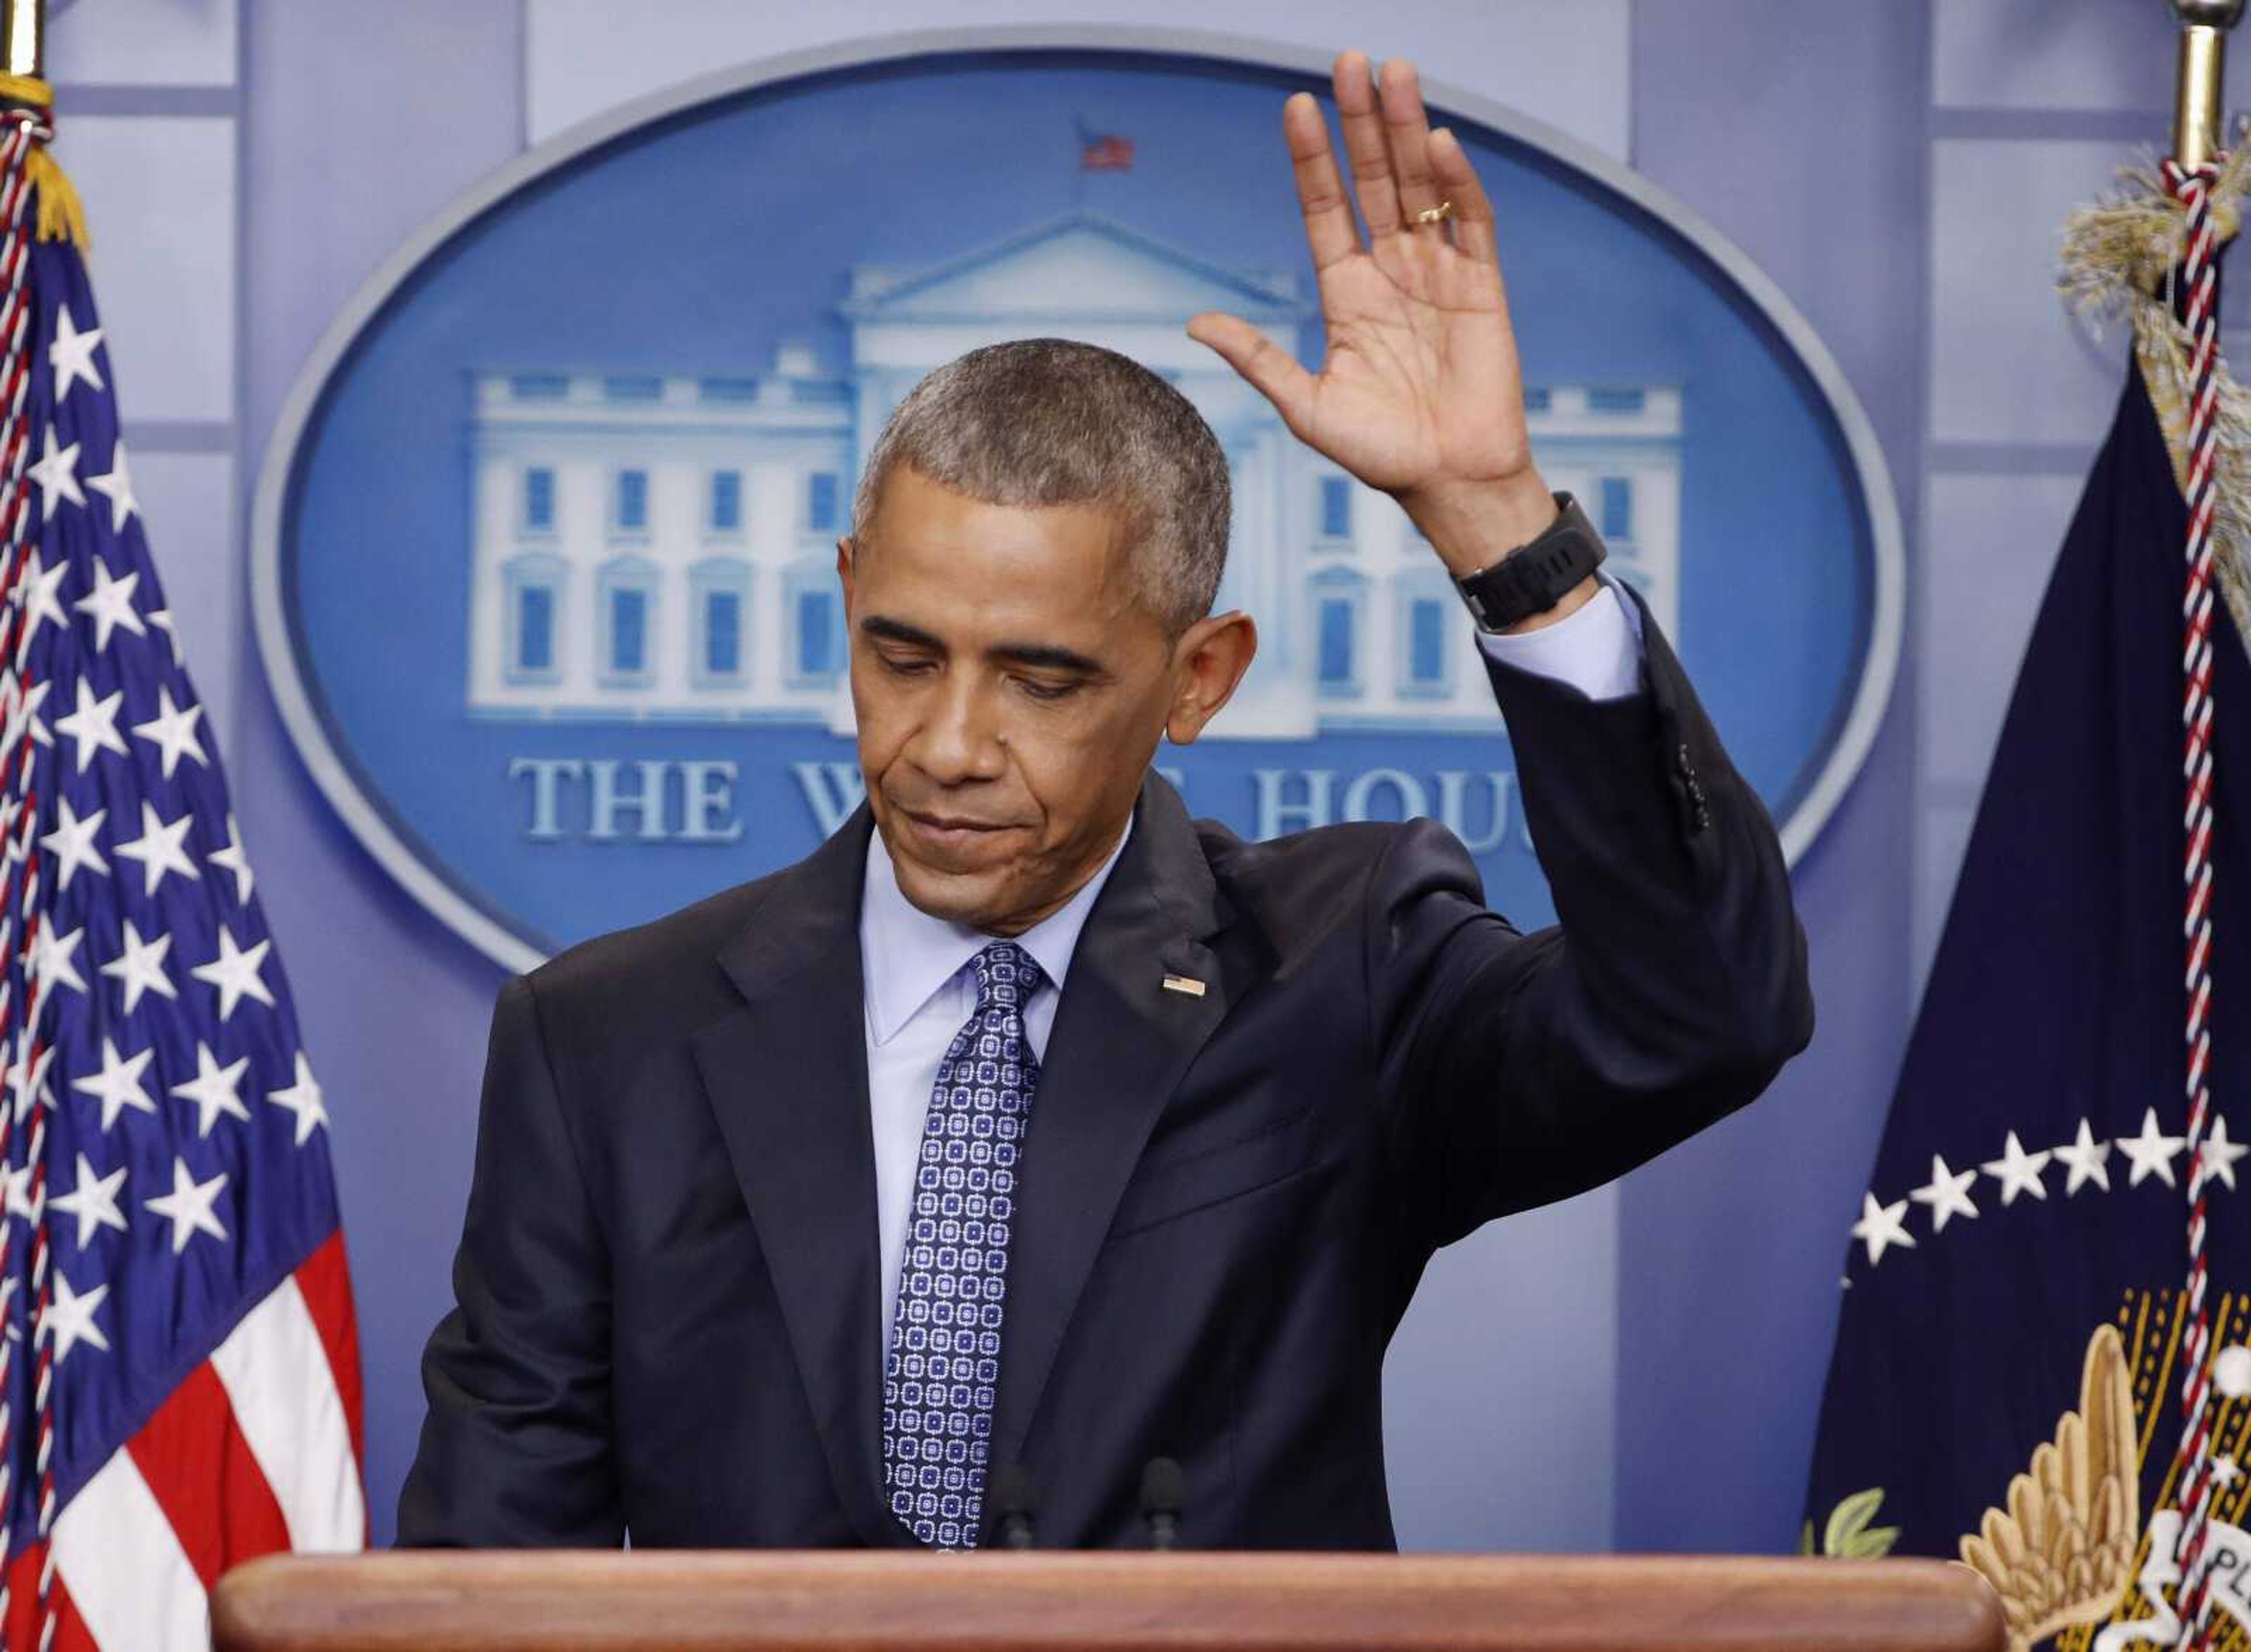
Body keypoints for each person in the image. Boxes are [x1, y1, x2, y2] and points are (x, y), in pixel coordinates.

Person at [398, 47, 1812, 1552]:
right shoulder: (606, 1038)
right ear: (847, 598)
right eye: (902, 653)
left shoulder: (1346, 971)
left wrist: (1499, 529)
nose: (946, 741)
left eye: (1042, 679)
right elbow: (489, 1577)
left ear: (1198, 678)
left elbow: (1701, 1016)